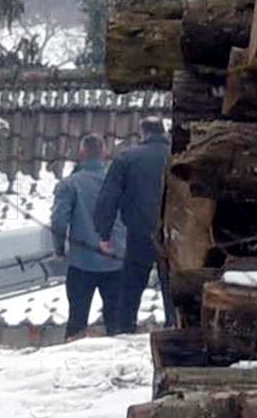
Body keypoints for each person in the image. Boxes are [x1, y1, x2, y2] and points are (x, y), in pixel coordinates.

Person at [94, 116, 174, 333]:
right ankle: (174, 326)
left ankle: (124, 329)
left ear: (143, 133)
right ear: (163, 132)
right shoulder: (176, 156)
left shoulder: (127, 158)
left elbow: (109, 197)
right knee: (172, 284)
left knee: (131, 285)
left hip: (140, 232)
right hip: (174, 233)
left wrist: (104, 233)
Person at [51, 134, 126, 339]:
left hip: (82, 261)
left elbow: (58, 221)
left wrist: (59, 249)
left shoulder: (70, 184)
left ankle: (73, 359)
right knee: (116, 322)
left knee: (77, 319)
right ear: (104, 153)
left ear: (81, 154)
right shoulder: (119, 181)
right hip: (116, 259)